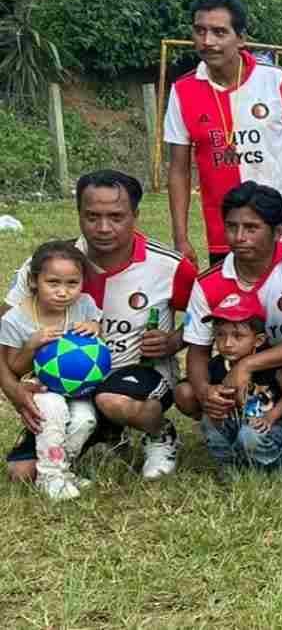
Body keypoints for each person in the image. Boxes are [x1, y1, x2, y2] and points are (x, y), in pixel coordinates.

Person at [3, 171, 196, 484]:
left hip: (137, 378)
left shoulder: (169, 266)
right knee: (22, 474)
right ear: (78, 213)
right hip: (65, 386)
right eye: (92, 217)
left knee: (113, 400)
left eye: (116, 217)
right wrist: (14, 392)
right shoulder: (49, 265)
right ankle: (105, 434)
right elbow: (4, 333)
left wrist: (175, 340)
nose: (104, 228)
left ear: (135, 215)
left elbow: (211, 318)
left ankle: (160, 433)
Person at [165, 0, 282, 267]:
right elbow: (178, 169)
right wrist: (181, 236)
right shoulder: (183, 91)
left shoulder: (277, 81)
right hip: (226, 234)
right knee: (231, 308)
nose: (207, 41)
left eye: (219, 32)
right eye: (199, 31)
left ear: (240, 38)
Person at [182, 182, 282, 464]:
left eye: (251, 228)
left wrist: (248, 364)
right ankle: (230, 436)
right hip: (241, 373)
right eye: (232, 226)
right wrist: (205, 392)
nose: (239, 237)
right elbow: (197, 350)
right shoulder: (208, 282)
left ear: (278, 232)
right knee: (186, 393)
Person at [0, 243, 102, 500]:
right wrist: (32, 346)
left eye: (72, 283)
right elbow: (13, 367)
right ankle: (50, 477)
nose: (63, 292)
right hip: (39, 388)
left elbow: (98, 345)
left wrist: (94, 328)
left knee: (84, 420)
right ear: (34, 281)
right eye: (53, 283)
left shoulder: (85, 305)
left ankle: (62, 469)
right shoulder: (15, 319)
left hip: (78, 389)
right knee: (53, 412)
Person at [198, 295, 282, 475]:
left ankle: (273, 464)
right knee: (208, 420)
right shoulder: (216, 366)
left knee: (248, 435)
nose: (227, 344)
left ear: (258, 340)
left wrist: (271, 417)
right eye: (220, 335)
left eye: (237, 336)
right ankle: (229, 464)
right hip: (237, 422)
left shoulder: (271, 365)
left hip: (271, 425)